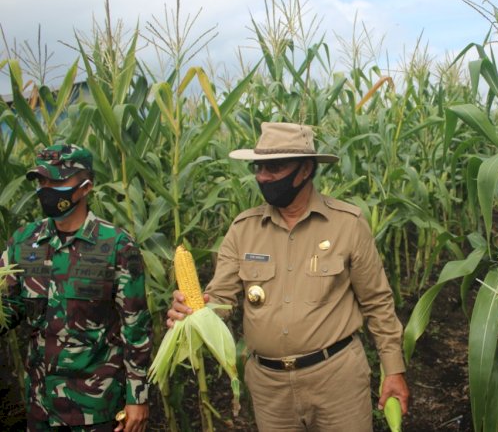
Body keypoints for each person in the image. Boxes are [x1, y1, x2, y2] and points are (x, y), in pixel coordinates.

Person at [167, 122, 409, 431]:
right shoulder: (243, 230)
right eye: (258, 167)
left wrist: (393, 370)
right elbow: (221, 300)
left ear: (306, 169)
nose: (263, 177)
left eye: (274, 167)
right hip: (269, 387)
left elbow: (377, 302)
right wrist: (193, 310)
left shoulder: (348, 224)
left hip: (337, 379)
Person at [0, 144, 151, 432]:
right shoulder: (23, 241)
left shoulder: (117, 245)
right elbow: (13, 306)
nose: (46, 189)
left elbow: (137, 327)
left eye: (57, 181)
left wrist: (138, 398)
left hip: (95, 405)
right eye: (42, 181)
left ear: (86, 187)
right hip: (40, 402)